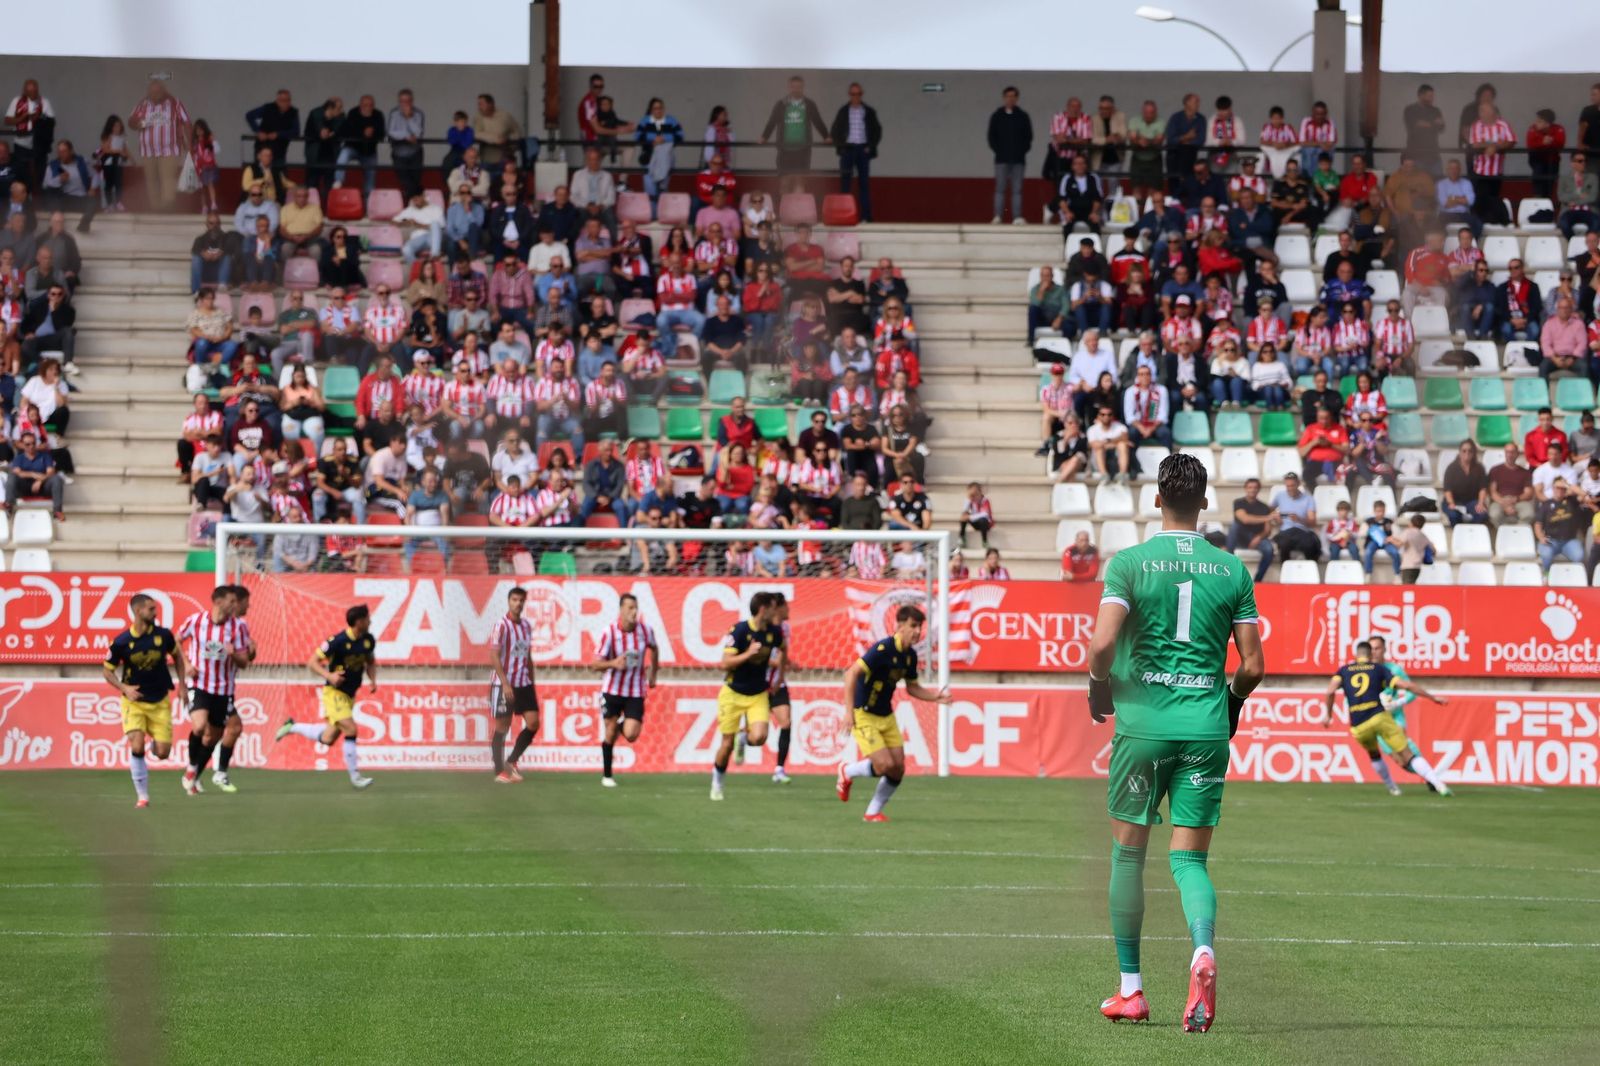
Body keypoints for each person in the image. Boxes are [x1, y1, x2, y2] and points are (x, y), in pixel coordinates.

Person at [1086, 452, 1264, 1031]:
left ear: (1156, 500)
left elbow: (1101, 648)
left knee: (1128, 855)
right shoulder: (1232, 570)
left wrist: (1098, 689)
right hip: (1206, 729)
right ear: (1205, 502)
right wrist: (1231, 704)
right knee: (1189, 860)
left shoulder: (1130, 564)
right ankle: (1203, 951)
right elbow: (1254, 665)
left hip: (1143, 728)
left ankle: (1131, 990)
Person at [1324, 641, 1451, 796]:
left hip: (1359, 725)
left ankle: (1392, 788)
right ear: (1370, 655)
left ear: (1356, 655)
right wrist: (1432, 698)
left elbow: (1330, 691)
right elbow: (1407, 686)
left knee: (1374, 754)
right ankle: (1439, 785)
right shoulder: (1378, 669)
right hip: (1379, 717)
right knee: (1407, 755)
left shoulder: (1343, 671)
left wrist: (1328, 715)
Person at [274, 604, 377, 790]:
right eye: (368, 618)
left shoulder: (368, 640)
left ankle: (292, 726)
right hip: (334, 693)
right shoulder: (337, 641)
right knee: (351, 729)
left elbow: (370, 661)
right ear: (359, 622)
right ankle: (356, 777)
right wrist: (329, 676)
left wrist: (373, 680)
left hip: (349, 695)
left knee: (328, 739)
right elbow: (312, 662)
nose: (371, 621)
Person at [103, 594, 189, 809]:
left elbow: (177, 657)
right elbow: (107, 671)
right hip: (134, 702)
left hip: (159, 701)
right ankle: (143, 797)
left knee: (163, 753)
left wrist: (183, 685)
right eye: (151, 609)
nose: (155, 612)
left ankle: (153, 747)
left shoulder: (163, 636)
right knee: (136, 744)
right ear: (138, 611)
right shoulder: (121, 642)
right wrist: (124, 688)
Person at [175, 586, 251, 796]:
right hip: (200, 685)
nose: (234, 605)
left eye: (236, 602)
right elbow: (176, 640)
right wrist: (187, 663)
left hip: (224, 690)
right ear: (218, 602)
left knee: (213, 737)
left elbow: (244, 662)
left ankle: (197, 774)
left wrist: (233, 653)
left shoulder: (238, 628)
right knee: (199, 727)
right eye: (231, 601)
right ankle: (192, 768)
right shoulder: (196, 621)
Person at [709, 592, 783, 802]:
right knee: (726, 746)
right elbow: (725, 663)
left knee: (759, 737)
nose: (774, 612)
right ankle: (717, 783)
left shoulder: (774, 632)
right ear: (762, 609)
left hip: (757, 693)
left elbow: (783, 651)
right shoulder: (740, 630)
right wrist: (748, 654)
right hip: (732, 693)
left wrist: (780, 676)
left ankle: (745, 737)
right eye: (772, 607)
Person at [485, 586, 540, 784]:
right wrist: (505, 683)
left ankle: (512, 761)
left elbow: (527, 655)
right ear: (509, 602)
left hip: (523, 682)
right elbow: (494, 654)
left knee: (533, 723)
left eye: (521, 600)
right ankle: (499, 771)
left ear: (524, 602)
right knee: (502, 727)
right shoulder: (501, 625)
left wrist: (532, 681)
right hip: (504, 684)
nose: (518, 603)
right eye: (514, 600)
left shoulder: (526, 626)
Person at [128, 77, 191, 210]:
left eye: (157, 93)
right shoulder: (143, 104)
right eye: (151, 93)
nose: (154, 96)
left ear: (164, 91)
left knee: (167, 178)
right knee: (151, 180)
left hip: (169, 150)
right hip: (148, 151)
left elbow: (186, 122)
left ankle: (167, 205)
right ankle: (155, 208)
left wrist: (190, 142)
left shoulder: (175, 103)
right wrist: (137, 124)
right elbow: (131, 121)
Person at [759, 76, 830, 193]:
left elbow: (817, 120)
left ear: (803, 88)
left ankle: (798, 211)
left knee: (800, 182)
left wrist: (826, 136)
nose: (796, 89)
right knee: (784, 182)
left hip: (803, 150)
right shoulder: (781, 104)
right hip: (785, 150)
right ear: (789, 87)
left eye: (799, 87)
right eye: (794, 87)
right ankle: (784, 211)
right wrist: (764, 137)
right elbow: (772, 121)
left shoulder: (809, 104)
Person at [831, 83, 881, 221]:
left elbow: (877, 131)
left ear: (861, 94)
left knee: (863, 184)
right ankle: (843, 216)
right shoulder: (843, 111)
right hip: (848, 149)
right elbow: (835, 131)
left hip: (863, 149)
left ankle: (866, 217)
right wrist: (841, 147)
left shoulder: (869, 111)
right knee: (845, 184)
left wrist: (870, 146)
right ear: (849, 95)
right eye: (853, 94)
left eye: (858, 94)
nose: (855, 97)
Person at [987, 87, 1032, 225]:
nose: (1010, 99)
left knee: (1017, 190)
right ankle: (998, 216)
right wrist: (999, 151)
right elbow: (991, 136)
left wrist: (1021, 151)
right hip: (1001, 159)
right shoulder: (997, 115)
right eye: (1008, 96)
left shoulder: (1023, 116)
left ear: (1017, 98)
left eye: (1013, 96)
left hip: (1019, 159)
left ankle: (1017, 217)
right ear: (1004, 98)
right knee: (1000, 188)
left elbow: (1028, 137)